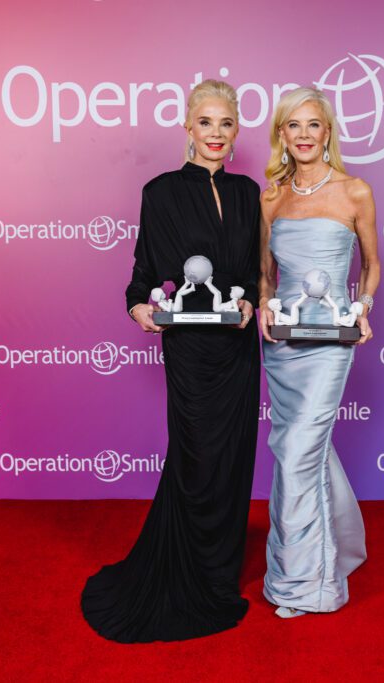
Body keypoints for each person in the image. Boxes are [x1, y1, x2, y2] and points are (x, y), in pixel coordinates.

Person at [81, 80, 261, 642]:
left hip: (237, 348)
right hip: (189, 349)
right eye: (205, 123)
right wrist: (137, 306)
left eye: (225, 124)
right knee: (196, 455)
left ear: (236, 133)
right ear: (188, 128)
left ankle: (220, 571)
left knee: (232, 458)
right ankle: (190, 572)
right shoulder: (159, 192)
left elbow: (255, 270)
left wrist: (253, 298)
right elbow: (141, 273)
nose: (215, 134)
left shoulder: (249, 192)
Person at [258, 87, 380, 618]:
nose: (304, 135)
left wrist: (364, 305)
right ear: (281, 135)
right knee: (294, 449)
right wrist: (263, 302)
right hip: (284, 342)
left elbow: (372, 265)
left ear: (327, 131)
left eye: (313, 125)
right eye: (293, 126)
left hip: (331, 338)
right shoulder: (269, 197)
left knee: (300, 451)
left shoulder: (355, 192)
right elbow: (265, 275)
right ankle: (337, 545)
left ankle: (304, 584)